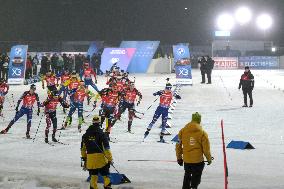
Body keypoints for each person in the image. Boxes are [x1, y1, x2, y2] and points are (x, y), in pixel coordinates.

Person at [175, 112, 212, 189]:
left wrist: (179, 158)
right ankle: (194, 187)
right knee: (196, 178)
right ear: (199, 120)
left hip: (187, 160)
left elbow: (178, 145)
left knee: (187, 176)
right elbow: (206, 149)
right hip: (198, 161)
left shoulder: (182, 131)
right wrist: (209, 159)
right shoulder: (203, 133)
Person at [81, 115, 113, 189]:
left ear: (92, 123)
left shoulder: (85, 135)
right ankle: (107, 186)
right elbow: (106, 148)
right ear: (99, 123)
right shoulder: (102, 134)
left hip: (90, 160)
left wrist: (85, 159)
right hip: (101, 159)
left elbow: (83, 149)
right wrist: (110, 159)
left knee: (93, 176)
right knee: (106, 175)